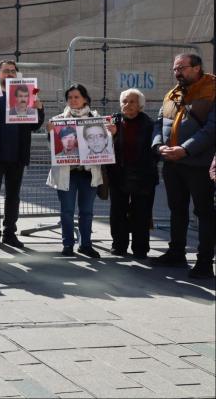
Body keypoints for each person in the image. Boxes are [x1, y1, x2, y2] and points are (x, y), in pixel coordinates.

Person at [151, 53, 215, 279]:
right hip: (172, 163)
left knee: (204, 213)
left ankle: (205, 263)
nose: (177, 72)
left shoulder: (212, 90)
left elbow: (211, 130)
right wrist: (158, 145)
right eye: (175, 69)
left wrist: (185, 149)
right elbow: (159, 122)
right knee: (177, 210)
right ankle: (176, 253)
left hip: (199, 165)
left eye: (182, 68)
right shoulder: (172, 93)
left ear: (197, 68)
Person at [0, 60, 45, 247]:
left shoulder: (25, 94)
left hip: (17, 154)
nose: (9, 74)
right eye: (5, 71)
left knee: (13, 196)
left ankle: (9, 233)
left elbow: (35, 125)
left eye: (13, 71)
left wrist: (39, 108)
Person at [46, 84, 113, 258]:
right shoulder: (58, 120)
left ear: (85, 99)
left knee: (87, 211)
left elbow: (106, 146)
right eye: (70, 97)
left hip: (88, 173)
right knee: (67, 210)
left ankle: (86, 245)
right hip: (67, 173)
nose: (73, 100)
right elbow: (53, 148)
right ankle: (67, 244)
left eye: (77, 97)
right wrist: (50, 134)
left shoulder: (96, 119)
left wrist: (112, 133)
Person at [108, 89, 157, 259]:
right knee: (118, 213)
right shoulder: (112, 122)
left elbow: (155, 151)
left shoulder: (150, 125)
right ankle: (119, 246)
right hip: (118, 174)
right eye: (125, 101)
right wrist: (111, 135)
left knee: (141, 214)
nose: (128, 105)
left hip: (143, 176)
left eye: (132, 102)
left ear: (140, 105)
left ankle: (140, 248)